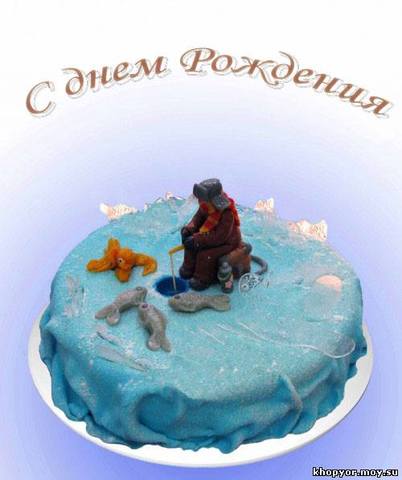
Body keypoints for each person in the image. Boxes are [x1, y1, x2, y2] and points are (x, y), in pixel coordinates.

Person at [179, 178, 242, 291]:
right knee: (190, 246)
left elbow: (219, 237)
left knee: (205, 255)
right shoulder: (205, 207)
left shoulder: (227, 214)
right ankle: (188, 269)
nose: (200, 202)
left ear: (214, 200)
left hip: (227, 243)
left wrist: (197, 240)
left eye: (203, 200)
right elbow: (196, 220)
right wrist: (188, 230)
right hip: (207, 237)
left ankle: (202, 279)